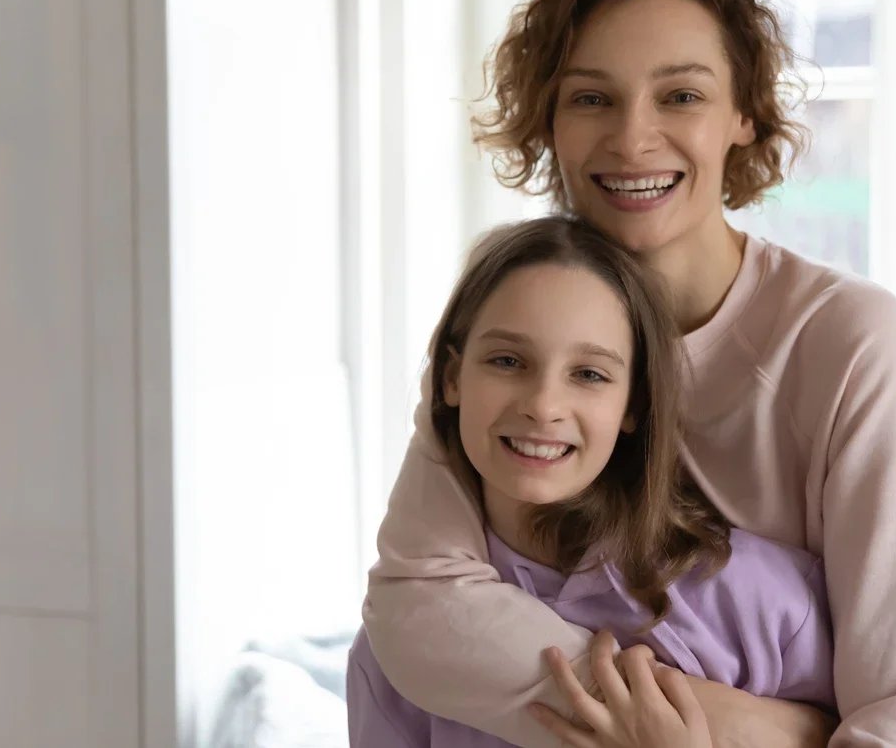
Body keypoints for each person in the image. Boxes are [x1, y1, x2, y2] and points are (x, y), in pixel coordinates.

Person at [363, 0, 896, 747]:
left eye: (680, 96)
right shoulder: (520, 324)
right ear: (548, 121)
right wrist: (755, 729)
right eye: (590, 98)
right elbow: (416, 604)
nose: (632, 139)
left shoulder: (849, 341)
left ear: (744, 114)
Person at [348, 216, 835, 747]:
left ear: (633, 405)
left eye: (589, 374)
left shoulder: (753, 599)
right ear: (450, 379)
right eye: (507, 361)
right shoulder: (397, 656)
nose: (543, 406)